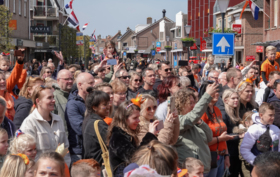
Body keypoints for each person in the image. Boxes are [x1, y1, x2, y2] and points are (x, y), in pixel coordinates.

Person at [20, 86, 70, 166]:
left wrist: (65, 167)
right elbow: (26, 153)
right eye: (49, 98)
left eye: (53, 97)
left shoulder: (58, 119)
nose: (53, 100)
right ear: (38, 101)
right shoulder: (29, 122)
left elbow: (65, 147)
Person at [174, 84, 218, 175]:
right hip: (190, 172)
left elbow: (209, 137)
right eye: (190, 103)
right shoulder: (177, 120)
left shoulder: (195, 120)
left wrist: (201, 123)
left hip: (204, 168)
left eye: (194, 102)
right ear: (181, 104)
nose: (194, 106)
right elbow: (190, 118)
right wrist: (207, 95)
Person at [107, 100, 158, 177]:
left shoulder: (127, 133)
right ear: (124, 118)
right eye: (135, 118)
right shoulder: (118, 137)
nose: (138, 120)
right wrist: (150, 135)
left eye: (139, 117)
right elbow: (135, 157)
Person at [199, 82, 234, 177]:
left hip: (221, 157)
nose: (217, 93)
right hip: (208, 157)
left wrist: (227, 156)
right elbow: (201, 141)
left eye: (218, 91)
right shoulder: (201, 113)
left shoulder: (217, 110)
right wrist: (219, 139)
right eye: (213, 91)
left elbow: (224, 135)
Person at [65, 73, 94, 164]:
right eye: (90, 83)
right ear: (80, 85)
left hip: (91, 148)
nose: (94, 86)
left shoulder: (93, 100)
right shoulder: (73, 104)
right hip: (79, 151)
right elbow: (80, 128)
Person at [83, 89, 110, 165]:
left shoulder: (88, 119)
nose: (108, 107)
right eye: (104, 105)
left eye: (108, 103)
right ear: (94, 107)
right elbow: (113, 144)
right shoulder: (98, 124)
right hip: (99, 166)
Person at [221, 89, 243, 177]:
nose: (236, 100)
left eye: (237, 98)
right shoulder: (223, 114)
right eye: (233, 98)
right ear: (226, 100)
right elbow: (223, 135)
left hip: (235, 151)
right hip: (228, 152)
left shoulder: (234, 112)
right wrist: (239, 135)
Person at [0, 55, 25, 121]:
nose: (2, 81)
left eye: (3, 79)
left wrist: (19, 62)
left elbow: (15, 76)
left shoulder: (7, 90)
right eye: (0, 80)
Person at [238, 111, 254, 177]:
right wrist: (250, 162)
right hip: (248, 167)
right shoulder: (244, 136)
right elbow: (241, 154)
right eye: (254, 123)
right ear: (247, 123)